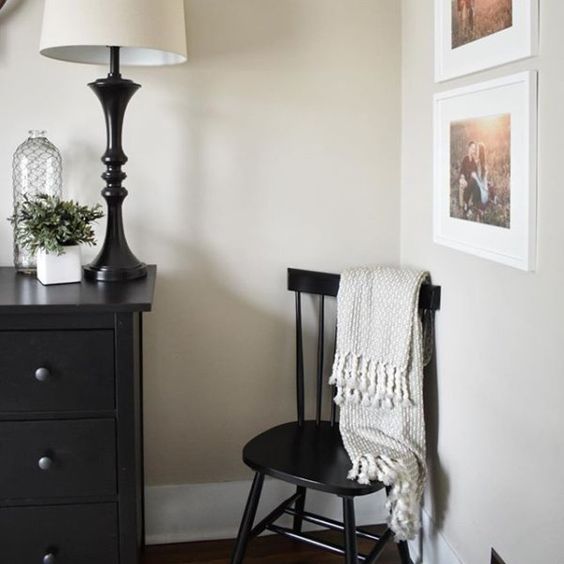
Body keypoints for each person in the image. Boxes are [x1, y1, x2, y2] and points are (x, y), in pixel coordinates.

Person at [458, 141, 479, 215]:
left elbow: (476, 172)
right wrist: (462, 178)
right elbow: (462, 171)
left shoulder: (474, 161)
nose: (473, 150)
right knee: (463, 184)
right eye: (472, 148)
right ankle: (463, 207)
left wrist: (475, 173)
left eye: (474, 149)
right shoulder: (465, 159)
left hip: (471, 182)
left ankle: (467, 204)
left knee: (474, 181)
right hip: (466, 181)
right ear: (469, 148)